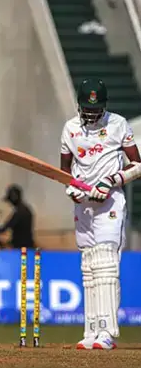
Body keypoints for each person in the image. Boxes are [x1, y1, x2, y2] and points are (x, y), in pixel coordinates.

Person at [62, 78, 141, 350]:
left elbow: (138, 165)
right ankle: (91, 330)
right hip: (83, 204)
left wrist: (112, 180)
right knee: (89, 265)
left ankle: (107, 333)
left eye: (96, 110)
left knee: (107, 263)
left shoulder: (118, 124)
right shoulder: (70, 129)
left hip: (110, 202)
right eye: (87, 110)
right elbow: (65, 172)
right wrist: (70, 188)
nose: (92, 115)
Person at [0, 184, 35, 249]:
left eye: (10, 201)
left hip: (21, 245)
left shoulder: (20, 212)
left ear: (14, 198)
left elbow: (7, 226)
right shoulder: (25, 209)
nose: (10, 203)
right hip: (25, 243)